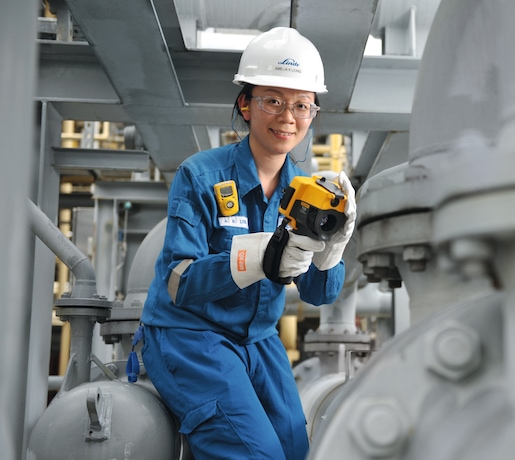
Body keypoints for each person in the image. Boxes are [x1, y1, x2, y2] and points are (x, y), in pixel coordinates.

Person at [140, 27, 356, 460]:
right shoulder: (201, 175)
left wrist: (332, 250)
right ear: (246, 103)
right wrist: (256, 257)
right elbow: (179, 282)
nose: (287, 117)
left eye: (301, 104)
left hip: (259, 339)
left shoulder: (306, 191)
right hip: (190, 336)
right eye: (273, 100)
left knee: (298, 452)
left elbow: (318, 294)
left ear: (313, 112)